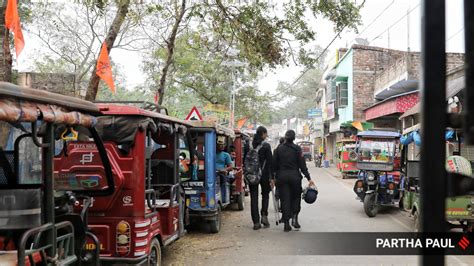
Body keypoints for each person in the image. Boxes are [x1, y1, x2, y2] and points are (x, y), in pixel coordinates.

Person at [273, 130, 315, 232]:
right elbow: (302, 165)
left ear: (285, 137)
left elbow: (274, 165)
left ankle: (286, 223)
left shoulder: (278, 149)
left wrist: (272, 178)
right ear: (294, 138)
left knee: (285, 199)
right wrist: (309, 178)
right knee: (296, 198)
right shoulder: (297, 149)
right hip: (295, 178)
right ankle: (295, 219)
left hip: (282, 178)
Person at [249, 126, 273, 230]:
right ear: (263, 133)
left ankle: (256, 222)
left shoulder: (249, 145)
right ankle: (264, 216)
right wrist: (272, 177)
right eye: (266, 134)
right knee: (265, 195)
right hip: (264, 174)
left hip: (252, 174)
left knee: (253, 198)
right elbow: (271, 162)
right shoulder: (266, 146)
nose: (266, 136)